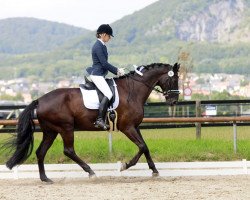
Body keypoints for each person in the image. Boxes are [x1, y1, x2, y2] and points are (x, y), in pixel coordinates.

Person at [86, 24, 125, 130]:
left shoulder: (102, 45)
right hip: (97, 74)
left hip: (100, 74)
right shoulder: (98, 46)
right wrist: (116, 71)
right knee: (108, 93)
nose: (110, 38)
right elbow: (104, 63)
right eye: (109, 36)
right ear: (103, 34)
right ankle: (99, 119)